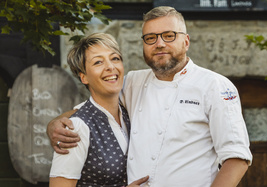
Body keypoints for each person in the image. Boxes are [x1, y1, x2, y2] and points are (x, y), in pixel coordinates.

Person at [48, 6, 252, 187]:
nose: (160, 43)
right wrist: (55, 125)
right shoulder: (133, 82)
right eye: (151, 38)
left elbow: (236, 158)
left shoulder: (214, 86)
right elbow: (91, 109)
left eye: (169, 35)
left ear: (186, 41)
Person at [49, 33, 148, 187]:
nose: (110, 66)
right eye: (98, 62)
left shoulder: (131, 112)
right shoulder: (77, 128)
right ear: (84, 78)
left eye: (115, 58)